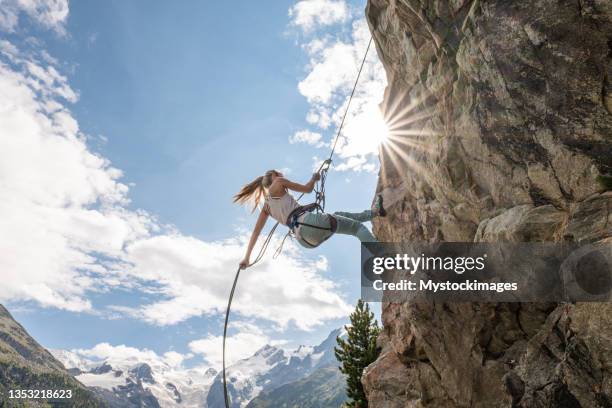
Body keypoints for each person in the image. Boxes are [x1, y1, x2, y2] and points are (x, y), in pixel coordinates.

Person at [233, 169, 386, 269]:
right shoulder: (278, 182)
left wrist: (246, 258)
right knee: (356, 228)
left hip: (305, 240)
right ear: (274, 176)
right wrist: (314, 178)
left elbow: (255, 234)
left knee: (338, 215)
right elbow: (307, 189)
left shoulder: (266, 207)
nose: (282, 175)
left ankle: (374, 212)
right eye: (279, 173)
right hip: (308, 223)